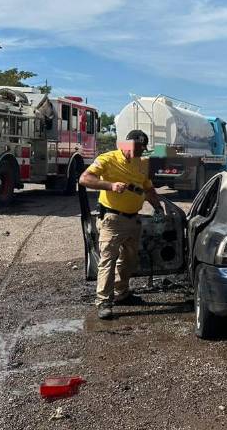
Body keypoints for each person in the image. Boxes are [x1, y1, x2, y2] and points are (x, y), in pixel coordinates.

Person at [79, 129, 164, 319]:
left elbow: (148, 189)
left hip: (133, 219)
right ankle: (103, 301)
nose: (141, 152)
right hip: (112, 219)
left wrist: (158, 207)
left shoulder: (141, 164)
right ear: (128, 145)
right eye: (138, 148)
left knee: (129, 259)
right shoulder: (107, 159)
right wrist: (110, 185)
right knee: (108, 260)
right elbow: (84, 179)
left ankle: (122, 293)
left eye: (143, 149)